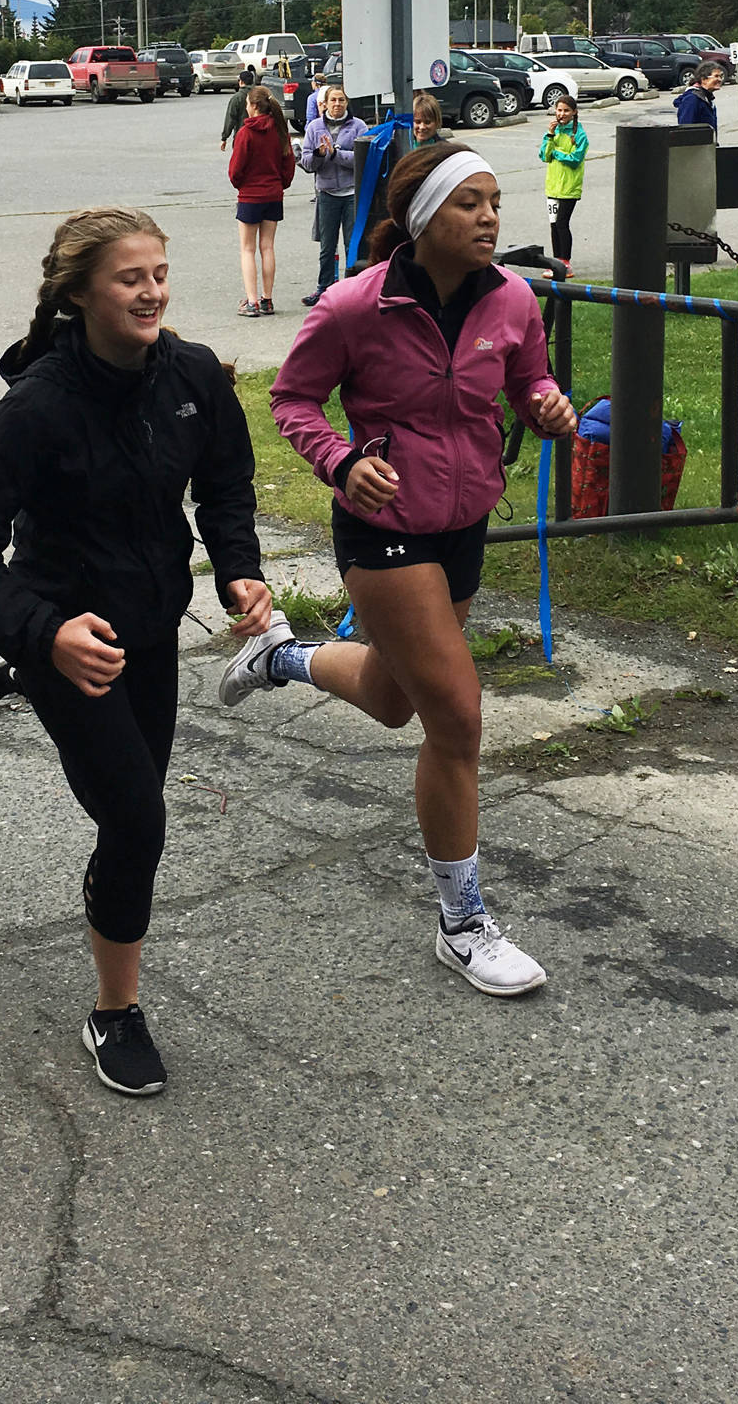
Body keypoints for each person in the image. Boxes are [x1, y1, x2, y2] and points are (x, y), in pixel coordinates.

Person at [0, 207, 272, 1099]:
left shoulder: (192, 375)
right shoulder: (38, 405)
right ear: (80, 294)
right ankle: (115, 1012)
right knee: (136, 821)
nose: (152, 290)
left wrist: (239, 571)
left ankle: (32, 674)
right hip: (70, 637)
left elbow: (226, 485)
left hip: (145, 633)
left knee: (133, 807)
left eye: (159, 272)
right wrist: (43, 634)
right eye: (130, 277)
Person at [220, 142, 577, 996]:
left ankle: (280, 656)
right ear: (423, 217)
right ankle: (463, 922)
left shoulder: (515, 300)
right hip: (381, 526)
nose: (491, 217)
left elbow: (530, 378)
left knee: (390, 698)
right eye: (470, 204)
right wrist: (340, 462)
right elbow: (291, 399)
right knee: (455, 717)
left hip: (463, 520)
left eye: (495, 202)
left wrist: (548, 405)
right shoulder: (354, 306)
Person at [228, 83, 295, 318]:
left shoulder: (246, 132)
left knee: (247, 249)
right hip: (273, 195)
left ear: (255, 106)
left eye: (248, 104)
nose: (246, 108)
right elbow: (288, 164)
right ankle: (267, 299)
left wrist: (240, 185)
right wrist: (280, 184)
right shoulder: (280, 130)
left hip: (250, 195)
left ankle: (252, 301)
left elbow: (236, 169)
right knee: (267, 247)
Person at [299, 84, 367, 305]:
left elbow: (362, 159)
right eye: (333, 100)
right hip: (327, 193)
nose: (337, 104)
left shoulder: (358, 126)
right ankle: (324, 288)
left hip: (351, 194)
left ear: (347, 103)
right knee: (327, 246)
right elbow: (307, 163)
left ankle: (354, 290)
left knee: (352, 244)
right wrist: (320, 154)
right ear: (325, 104)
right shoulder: (315, 127)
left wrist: (336, 154)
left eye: (342, 100)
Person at [539, 93, 588, 266]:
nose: (562, 114)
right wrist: (550, 135)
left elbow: (575, 159)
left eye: (566, 110)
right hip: (553, 187)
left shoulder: (579, 135)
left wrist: (557, 153)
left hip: (569, 187)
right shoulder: (553, 132)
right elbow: (544, 156)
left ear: (574, 112)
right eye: (559, 110)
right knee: (554, 225)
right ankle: (556, 262)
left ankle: (565, 262)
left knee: (562, 223)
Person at [674, 59, 722, 132]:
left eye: (720, 76)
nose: (720, 79)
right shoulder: (692, 99)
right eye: (716, 76)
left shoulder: (707, 99)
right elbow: (685, 130)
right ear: (703, 79)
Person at [220, 64, 258, 150]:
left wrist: (224, 138)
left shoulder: (237, 98)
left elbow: (230, 119)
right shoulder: (259, 95)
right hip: (259, 136)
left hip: (241, 137)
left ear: (241, 82)